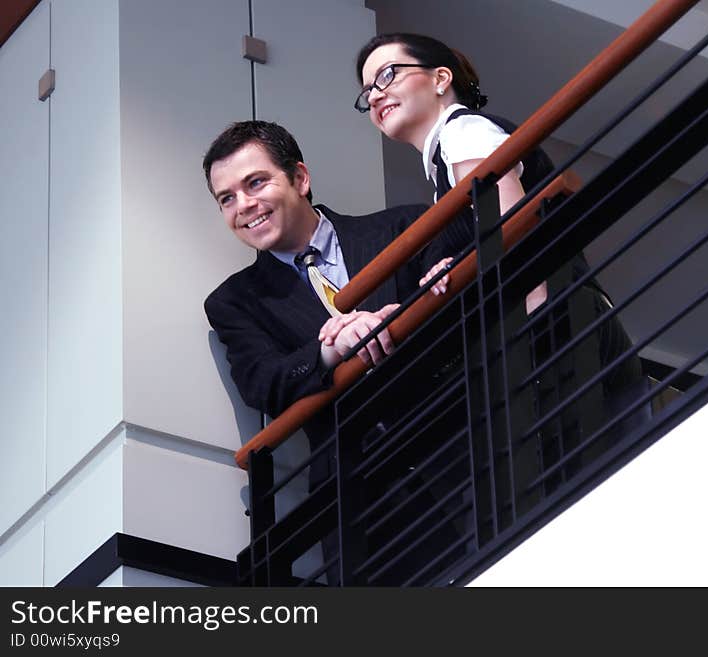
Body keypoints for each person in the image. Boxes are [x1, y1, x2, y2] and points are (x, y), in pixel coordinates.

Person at [354, 33, 646, 502]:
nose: (376, 95)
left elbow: (514, 232)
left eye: (388, 75)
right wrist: (458, 263)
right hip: (559, 329)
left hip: (555, 330)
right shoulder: (446, 158)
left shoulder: (463, 133)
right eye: (367, 91)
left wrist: (466, 265)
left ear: (440, 79)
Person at [203, 121, 435, 583]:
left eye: (255, 183)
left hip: (454, 437)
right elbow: (261, 381)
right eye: (226, 198)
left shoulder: (403, 227)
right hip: (363, 499)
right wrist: (332, 347)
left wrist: (401, 313)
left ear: (300, 179)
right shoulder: (234, 301)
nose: (243, 206)